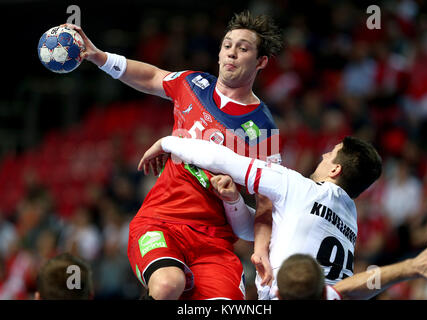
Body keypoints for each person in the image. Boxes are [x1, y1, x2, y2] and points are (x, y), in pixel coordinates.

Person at [64, 10, 283, 300]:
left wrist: (260, 253)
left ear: (261, 61)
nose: (231, 53)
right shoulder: (194, 84)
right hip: (161, 222)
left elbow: (268, 203)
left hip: (214, 243)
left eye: (243, 49)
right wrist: (99, 56)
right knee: (168, 284)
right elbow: (153, 76)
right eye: (227, 45)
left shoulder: (263, 130)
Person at [137, 134, 383, 299]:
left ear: (335, 169)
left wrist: (167, 142)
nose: (323, 156)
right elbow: (255, 231)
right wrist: (234, 201)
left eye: (330, 154)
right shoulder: (350, 217)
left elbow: (219, 159)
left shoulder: (299, 188)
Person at [276, 228, 427, 300]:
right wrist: (413, 266)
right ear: (323, 291)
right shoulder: (327, 294)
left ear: (278, 294)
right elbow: (348, 286)